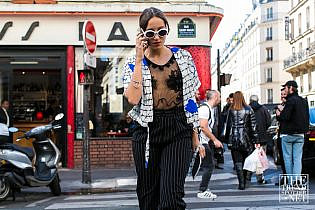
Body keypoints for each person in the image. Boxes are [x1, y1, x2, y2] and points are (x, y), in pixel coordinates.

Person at [122, 7, 205, 210]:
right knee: (148, 197)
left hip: (179, 128)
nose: (157, 37)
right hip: (147, 131)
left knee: (171, 198)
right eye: (150, 33)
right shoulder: (134, 62)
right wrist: (140, 58)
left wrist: (195, 133)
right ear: (142, 34)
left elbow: (190, 100)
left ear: (167, 29)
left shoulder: (183, 57)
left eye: (162, 31)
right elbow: (133, 99)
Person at [276, 80, 309, 185]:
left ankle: (291, 182)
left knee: (287, 159)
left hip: (287, 134)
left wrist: (279, 114)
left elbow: (285, 117)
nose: (285, 90)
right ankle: (296, 180)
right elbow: (306, 118)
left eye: (286, 88)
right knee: (297, 159)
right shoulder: (304, 101)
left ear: (290, 88)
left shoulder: (290, 101)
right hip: (300, 134)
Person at [225, 91, 259, 190]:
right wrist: (256, 140)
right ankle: (246, 179)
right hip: (246, 139)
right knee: (247, 160)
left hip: (234, 139)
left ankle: (241, 183)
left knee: (237, 161)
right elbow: (253, 126)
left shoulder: (231, 109)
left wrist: (226, 139)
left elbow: (227, 126)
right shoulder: (249, 109)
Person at [197, 90, 223, 199]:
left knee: (208, 165)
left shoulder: (209, 109)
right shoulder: (205, 109)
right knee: (209, 165)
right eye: (220, 97)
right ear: (215, 97)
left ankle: (204, 188)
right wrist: (214, 140)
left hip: (204, 141)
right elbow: (203, 126)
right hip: (202, 142)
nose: (220, 99)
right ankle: (203, 190)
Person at [249, 95, 271, 184]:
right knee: (260, 158)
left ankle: (248, 177)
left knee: (250, 157)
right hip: (262, 137)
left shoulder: (247, 109)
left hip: (250, 138)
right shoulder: (263, 109)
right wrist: (263, 129)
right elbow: (269, 121)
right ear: (258, 100)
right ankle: (260, 176)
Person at [275, 87, 287, 186]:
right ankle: (285, 176)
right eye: (281, 94)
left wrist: (280, 113)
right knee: (282, 158)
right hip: (281, 133)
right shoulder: (281, 105)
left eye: (284, 94)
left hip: (286, 134)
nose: (282, 96)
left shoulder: (289, 105)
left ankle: (288, 178)